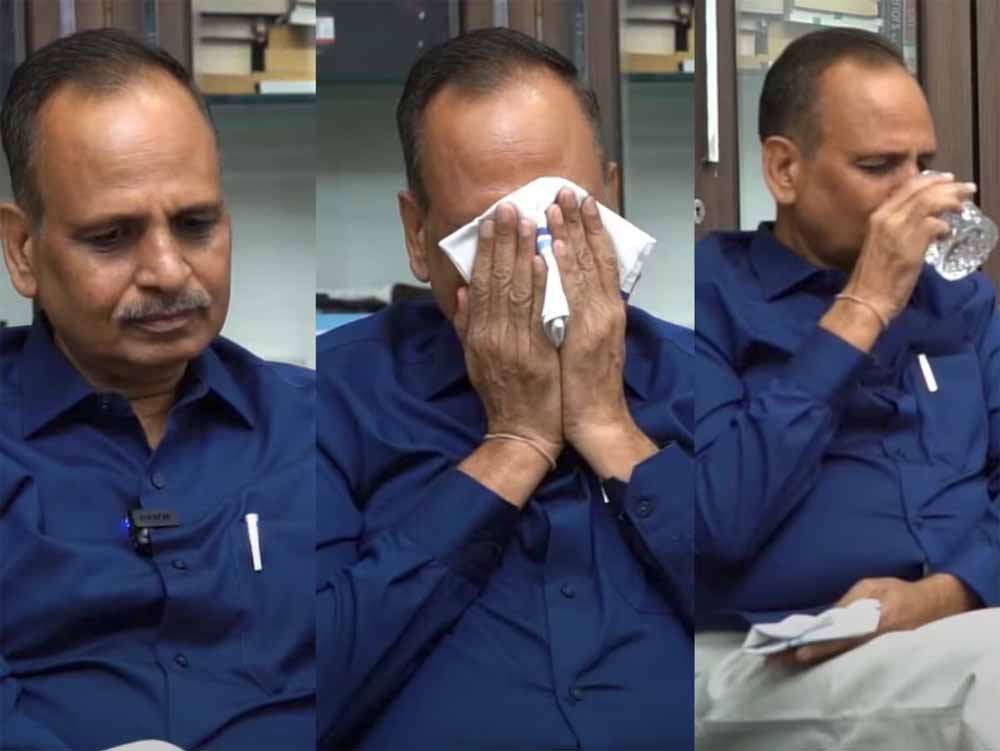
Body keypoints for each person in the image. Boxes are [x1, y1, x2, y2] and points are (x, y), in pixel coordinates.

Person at [317, 27, 694, 749]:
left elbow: (763, 619)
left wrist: (609, 427)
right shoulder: (330, 401)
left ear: (612, 198)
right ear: (418, 234)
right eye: (492, 236)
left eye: (564, 217)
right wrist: (515, 443)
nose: (535, 266)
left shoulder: (699, 377)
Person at [0, 29, 314, 750]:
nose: (169, 271)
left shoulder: (317, 428)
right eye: (112, 237)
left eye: (196, 225)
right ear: (23, 251)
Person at [695, 28, 1000, 750]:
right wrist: (862, 308)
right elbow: (712, 522)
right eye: (878, 166)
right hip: (772, 647)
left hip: (958, 623)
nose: (916, 193)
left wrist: (943, 594)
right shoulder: (708, 297)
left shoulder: (961, 303)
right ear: (784, 169)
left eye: (923, 164)